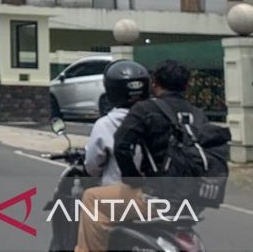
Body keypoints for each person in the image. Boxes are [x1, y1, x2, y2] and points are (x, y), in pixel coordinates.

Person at [76, 60, 203, 252]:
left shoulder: (143, 113)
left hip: (153, 195)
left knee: (91, 199)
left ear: (155, 84)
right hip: (191, 198)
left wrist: (134, 180)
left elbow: (118, 149)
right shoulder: (195, 115)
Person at [83, 60, 150, 186]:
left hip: (118, 194)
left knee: (88, 197)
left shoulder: (105, 124)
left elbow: (92, 167)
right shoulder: (156, 118)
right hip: (155, 191)